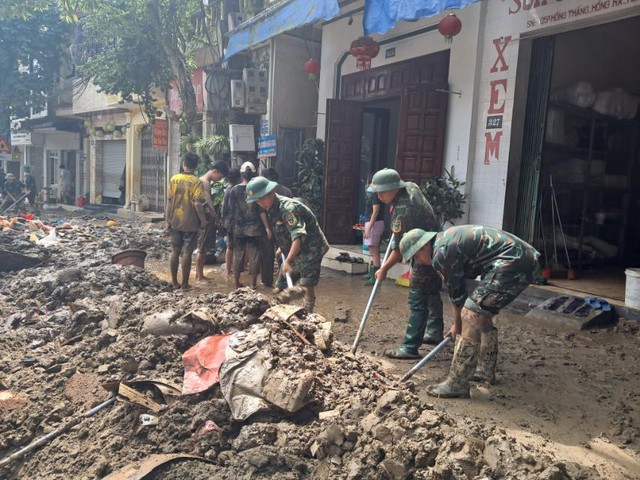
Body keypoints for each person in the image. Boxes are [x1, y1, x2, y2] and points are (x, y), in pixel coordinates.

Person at [399, 226, 541, 398]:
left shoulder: (441, 254)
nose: (418, 262)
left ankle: (457, 383)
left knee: (470, 314)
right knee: (480, 313)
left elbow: (457, 296)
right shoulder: (445, 240)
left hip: (511, 262)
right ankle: (485, 371)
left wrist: (457, 326)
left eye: (415, 256)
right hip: (521, 258)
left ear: (423, 246)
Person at [370, 168, 444, 359]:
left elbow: (398, 249)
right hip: (435, 245)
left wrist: (383, 268)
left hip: (423, 251)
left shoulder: (402, 210)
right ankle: (435, 330)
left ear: (395, 188)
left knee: (417, 297)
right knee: (432, 290)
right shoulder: (411, 187)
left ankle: (410, 347)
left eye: (382, 191)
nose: (379, 196)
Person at [246, 176, 329, 313]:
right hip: (294, 248)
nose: (261, 203)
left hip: (311, 248)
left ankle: (308, 313)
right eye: (257, 200)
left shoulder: (287, 208)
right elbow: (285, 231)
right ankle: (279, 313)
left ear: (271, 192)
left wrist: (289, 260)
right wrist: (281, 248)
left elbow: (298, 236)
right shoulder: (272, 208)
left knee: (306, 282)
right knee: (280, 287)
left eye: (262, 198)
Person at [165, 152, 208, 290]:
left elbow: (170, 202)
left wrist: (167, 220)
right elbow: (197, 204)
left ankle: (174, 282)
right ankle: (184, 284)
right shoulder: (197, 182)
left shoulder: (174, 179)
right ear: (196, 166)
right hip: (190, 222)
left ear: (184, 164)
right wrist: (203, 221)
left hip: (175, 220)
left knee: (175, 251)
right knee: (187, 252)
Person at [227, 162, 271, 289]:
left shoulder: (234, 190)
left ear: (241, 174)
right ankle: (253, 284)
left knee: (238, 254)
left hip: (238, 227)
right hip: (254, 228)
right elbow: (261, 210)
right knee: (254, 255)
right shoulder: (256, 189)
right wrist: (267, 227)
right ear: (254, 174)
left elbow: (231, 209)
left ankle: (236, 283)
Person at [195, 161, 230, 284]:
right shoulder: (205, 183)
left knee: (203, 248)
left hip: (203, 219)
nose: (219, 179)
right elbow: (208, 203)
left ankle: (200, 275)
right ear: (215, 171)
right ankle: (199, 277)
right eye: (220, 176)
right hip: (205, 220)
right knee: (202, 248)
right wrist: (214, 216)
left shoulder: (203, 181)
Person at [259, 167, 292, 287]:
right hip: (283, 228)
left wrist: (267, 228)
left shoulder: (264, 191)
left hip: (269, 227)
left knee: (267, 254)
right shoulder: (286, 190)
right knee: (283, 250)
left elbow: (261, 211)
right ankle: (282, 274)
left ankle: (267, 281)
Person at [363, 175, 385, 286]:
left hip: (375, 223)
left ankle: (375, 276)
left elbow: (375, 212)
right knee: (371, 249)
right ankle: (372, 272)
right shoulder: (372, 195)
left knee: (374, 249)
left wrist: (369, 227)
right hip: (372, 223)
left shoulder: (375, 195)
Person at [221, 168, 241, 279]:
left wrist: (223, 219)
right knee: (232, 246)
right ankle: (229, 269)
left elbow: (224, 207)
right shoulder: (233, 190)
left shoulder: (229, 189)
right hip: (234, 221)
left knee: (230, 246)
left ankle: (229, 269)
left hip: (230, 221)